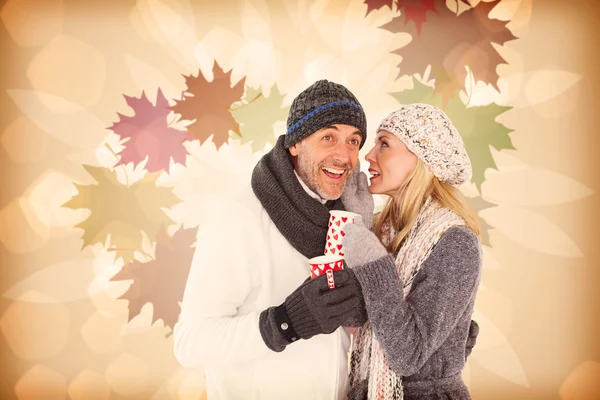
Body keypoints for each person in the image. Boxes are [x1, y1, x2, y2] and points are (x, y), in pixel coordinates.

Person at [173, 79, 370, 400]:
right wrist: (285, 322)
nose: (344, 155)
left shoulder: (344, 219)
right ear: (295, 144)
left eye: (353, 141)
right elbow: (189, 342)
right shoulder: (241, 218)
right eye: (328, 137)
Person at [340, 103, 483, 400]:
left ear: (421, 158)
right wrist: (361, 223)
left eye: (384, 144)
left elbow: (406, 355)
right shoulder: (387, 231)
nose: (368, 155)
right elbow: (355, 317)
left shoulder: (455, 242)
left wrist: (373, 262)